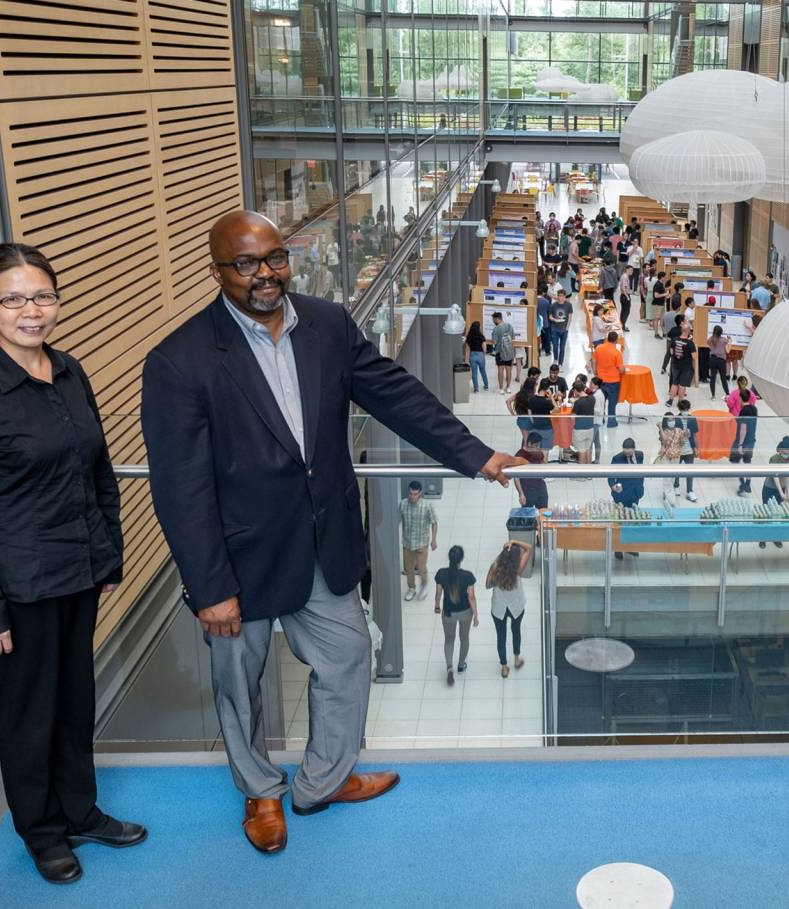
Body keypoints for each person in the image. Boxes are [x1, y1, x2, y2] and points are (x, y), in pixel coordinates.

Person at [141, 210, 520, 854]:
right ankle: (261, 792)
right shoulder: (180, 360)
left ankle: (322, 781)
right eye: (246, 264)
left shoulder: (328, 324)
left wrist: (476, 454)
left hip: (322, 543)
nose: (265, 274)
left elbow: (397, 395)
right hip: (238, 558)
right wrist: (208, 586)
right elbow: (181, 488)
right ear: (218, 270)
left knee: (347, 655)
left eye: (275, 258)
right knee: (240, 684)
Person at [0, 243, 145, 884]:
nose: (32, 311)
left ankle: (80, 810)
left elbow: (97, 472)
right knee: (29, 716)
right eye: (13, 299)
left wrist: (107, 555)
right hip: (18, 587)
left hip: (79, 572)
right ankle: (43, 831)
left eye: (43, 296)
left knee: (76, 702)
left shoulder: (69, 370)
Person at [432, 545, 478, 685]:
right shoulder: (468, 576)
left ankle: (449, 667)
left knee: (449, 640)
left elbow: (438, 593)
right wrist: (476, 615)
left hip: (448, 613)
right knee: (464, 638)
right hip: (465, 613)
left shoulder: (441, 573)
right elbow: (471, 597)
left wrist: (437, 606)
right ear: (461, 559)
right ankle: (461, 665)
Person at [486, 541, 533, 678]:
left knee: (501, 637)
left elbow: (487, 585)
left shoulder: (495, 567)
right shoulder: (518, 569)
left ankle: (504, 667)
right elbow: (529, 548)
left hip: (499, 607)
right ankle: (517, 659)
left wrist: (500, 557)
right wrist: (514, 541)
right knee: (516, 631)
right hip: (516, 605)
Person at [397, 481, 436, 602]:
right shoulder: (403, 504)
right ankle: (411, 588)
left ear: (420, 494)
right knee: (408, 568)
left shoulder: (427, 506)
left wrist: (434, 540)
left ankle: (424, 586)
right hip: (408, 543)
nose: (412, 496)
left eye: (415, 494)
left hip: (421, 543)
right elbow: (397, 520)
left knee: (421, 567)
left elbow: (434, 522)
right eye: (410, 493)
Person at [609, 438, 646, 560]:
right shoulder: (617, 458)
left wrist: (640, 485)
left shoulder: (640, 455)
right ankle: (618, 548)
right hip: (622, 494)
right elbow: (610, 475)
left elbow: (642, 472)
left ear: (634, 449)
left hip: (635, 493)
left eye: (629, 453)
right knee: (620, 521)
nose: (627, 455)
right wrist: (614, 486)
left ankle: (630, 546)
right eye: (625, 453)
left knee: (632, 520)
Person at [758, 437, 789, 548]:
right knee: (766, 513)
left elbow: (787, 476)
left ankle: (776, 537)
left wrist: (787, 493)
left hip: (781, 489)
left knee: (778, 514)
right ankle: (762, 538)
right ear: (781, 449)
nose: (788, 454)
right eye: (786, 451)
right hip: (769, 488)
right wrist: (781, 493)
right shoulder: (774, 458)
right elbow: (775, 477)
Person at [727, 376, 761, 494]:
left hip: (742, 441)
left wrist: (740, 444)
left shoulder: (743, 411)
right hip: (752, 440)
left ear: (741, 398)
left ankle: (742, 484)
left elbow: (743, 429)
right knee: (748, 462)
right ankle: (748, 483)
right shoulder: (754, 409)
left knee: (734, 461)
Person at [657, 404, 692, 503]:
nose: (672, 422)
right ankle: (671, 500)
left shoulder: (678, 430)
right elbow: (664, 440)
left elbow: (682, 442)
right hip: (666, 457)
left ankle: (666, 493)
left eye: (673, 419)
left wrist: (686, 435)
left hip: (676, 457)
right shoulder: (664, 431)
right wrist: (660, 427)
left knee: (672, 478)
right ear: (666, 421)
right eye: (669, 420)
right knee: (667, 478)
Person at [595, 330, 625, 428]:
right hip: (613, 381)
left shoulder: (599, 348)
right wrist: (624, 370)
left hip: (600, 380)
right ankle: (611, 422)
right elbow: (621, 369)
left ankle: (601, 420)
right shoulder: (617, 353)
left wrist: (595, 372)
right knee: (612, 403)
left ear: (607, 339)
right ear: (616, 340)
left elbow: (594, 361)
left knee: (601, 401)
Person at [515, 432, 550, 509]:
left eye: (539, 445)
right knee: (527, 514)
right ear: (529, 444)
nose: (538, 448)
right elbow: (516, 478)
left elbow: (543, 464)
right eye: (536, 445)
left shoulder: (538, 452)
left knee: (543, 512)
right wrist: (521, 494)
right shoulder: (520, 456)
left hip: (541, 488)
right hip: (527, 491)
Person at [664, 326, 696, 401]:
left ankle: (670, 401)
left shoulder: (674, 340)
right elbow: (694, 357)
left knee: (674, 383)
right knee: (682, 385)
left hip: (675, 365)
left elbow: (671, 352)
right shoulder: (690, 343)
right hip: (686, 367)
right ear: (688, 331)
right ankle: (680, 402)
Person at [572, 380, 599, 463]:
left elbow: (573, 416)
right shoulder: (592, 398)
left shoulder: (578, 402)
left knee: (582, 452)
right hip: (590, 428)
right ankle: (589, 469)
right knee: (588, 450)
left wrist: (574, 403)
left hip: (580, 430)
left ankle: (582, 470)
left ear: (576, 390)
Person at [490, 311, 517, 393]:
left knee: (500, 370)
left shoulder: (496, 329)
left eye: (493, 319)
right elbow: (513, 338)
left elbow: (494, 342)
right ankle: (508, 387)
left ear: (497, 319)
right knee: (509, 370)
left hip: (500, 352)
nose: (493, 321)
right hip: (510, 351)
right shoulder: (509, 326)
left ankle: (501, 388)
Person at [464, 317, 490, 393]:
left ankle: (476, 388)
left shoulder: (469, 337)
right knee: (483, 371)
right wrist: (483, 354)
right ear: (478, 328)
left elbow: (467, 350)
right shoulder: (481, 336)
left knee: (474, 373)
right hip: (480, 355)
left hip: (472, 355)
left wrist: (466, 361)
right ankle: (486, 386)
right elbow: (484, 348)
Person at [707, 325, 732, 397]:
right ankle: (727, 394)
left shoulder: (710, 339)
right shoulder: (724, 340)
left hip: (712, 359)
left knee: (713, 378)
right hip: (721, 360)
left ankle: (713, 396)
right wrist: (730, 341)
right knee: (723, 378)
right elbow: (728, 351)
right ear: (721, 332)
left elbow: (709, 345)